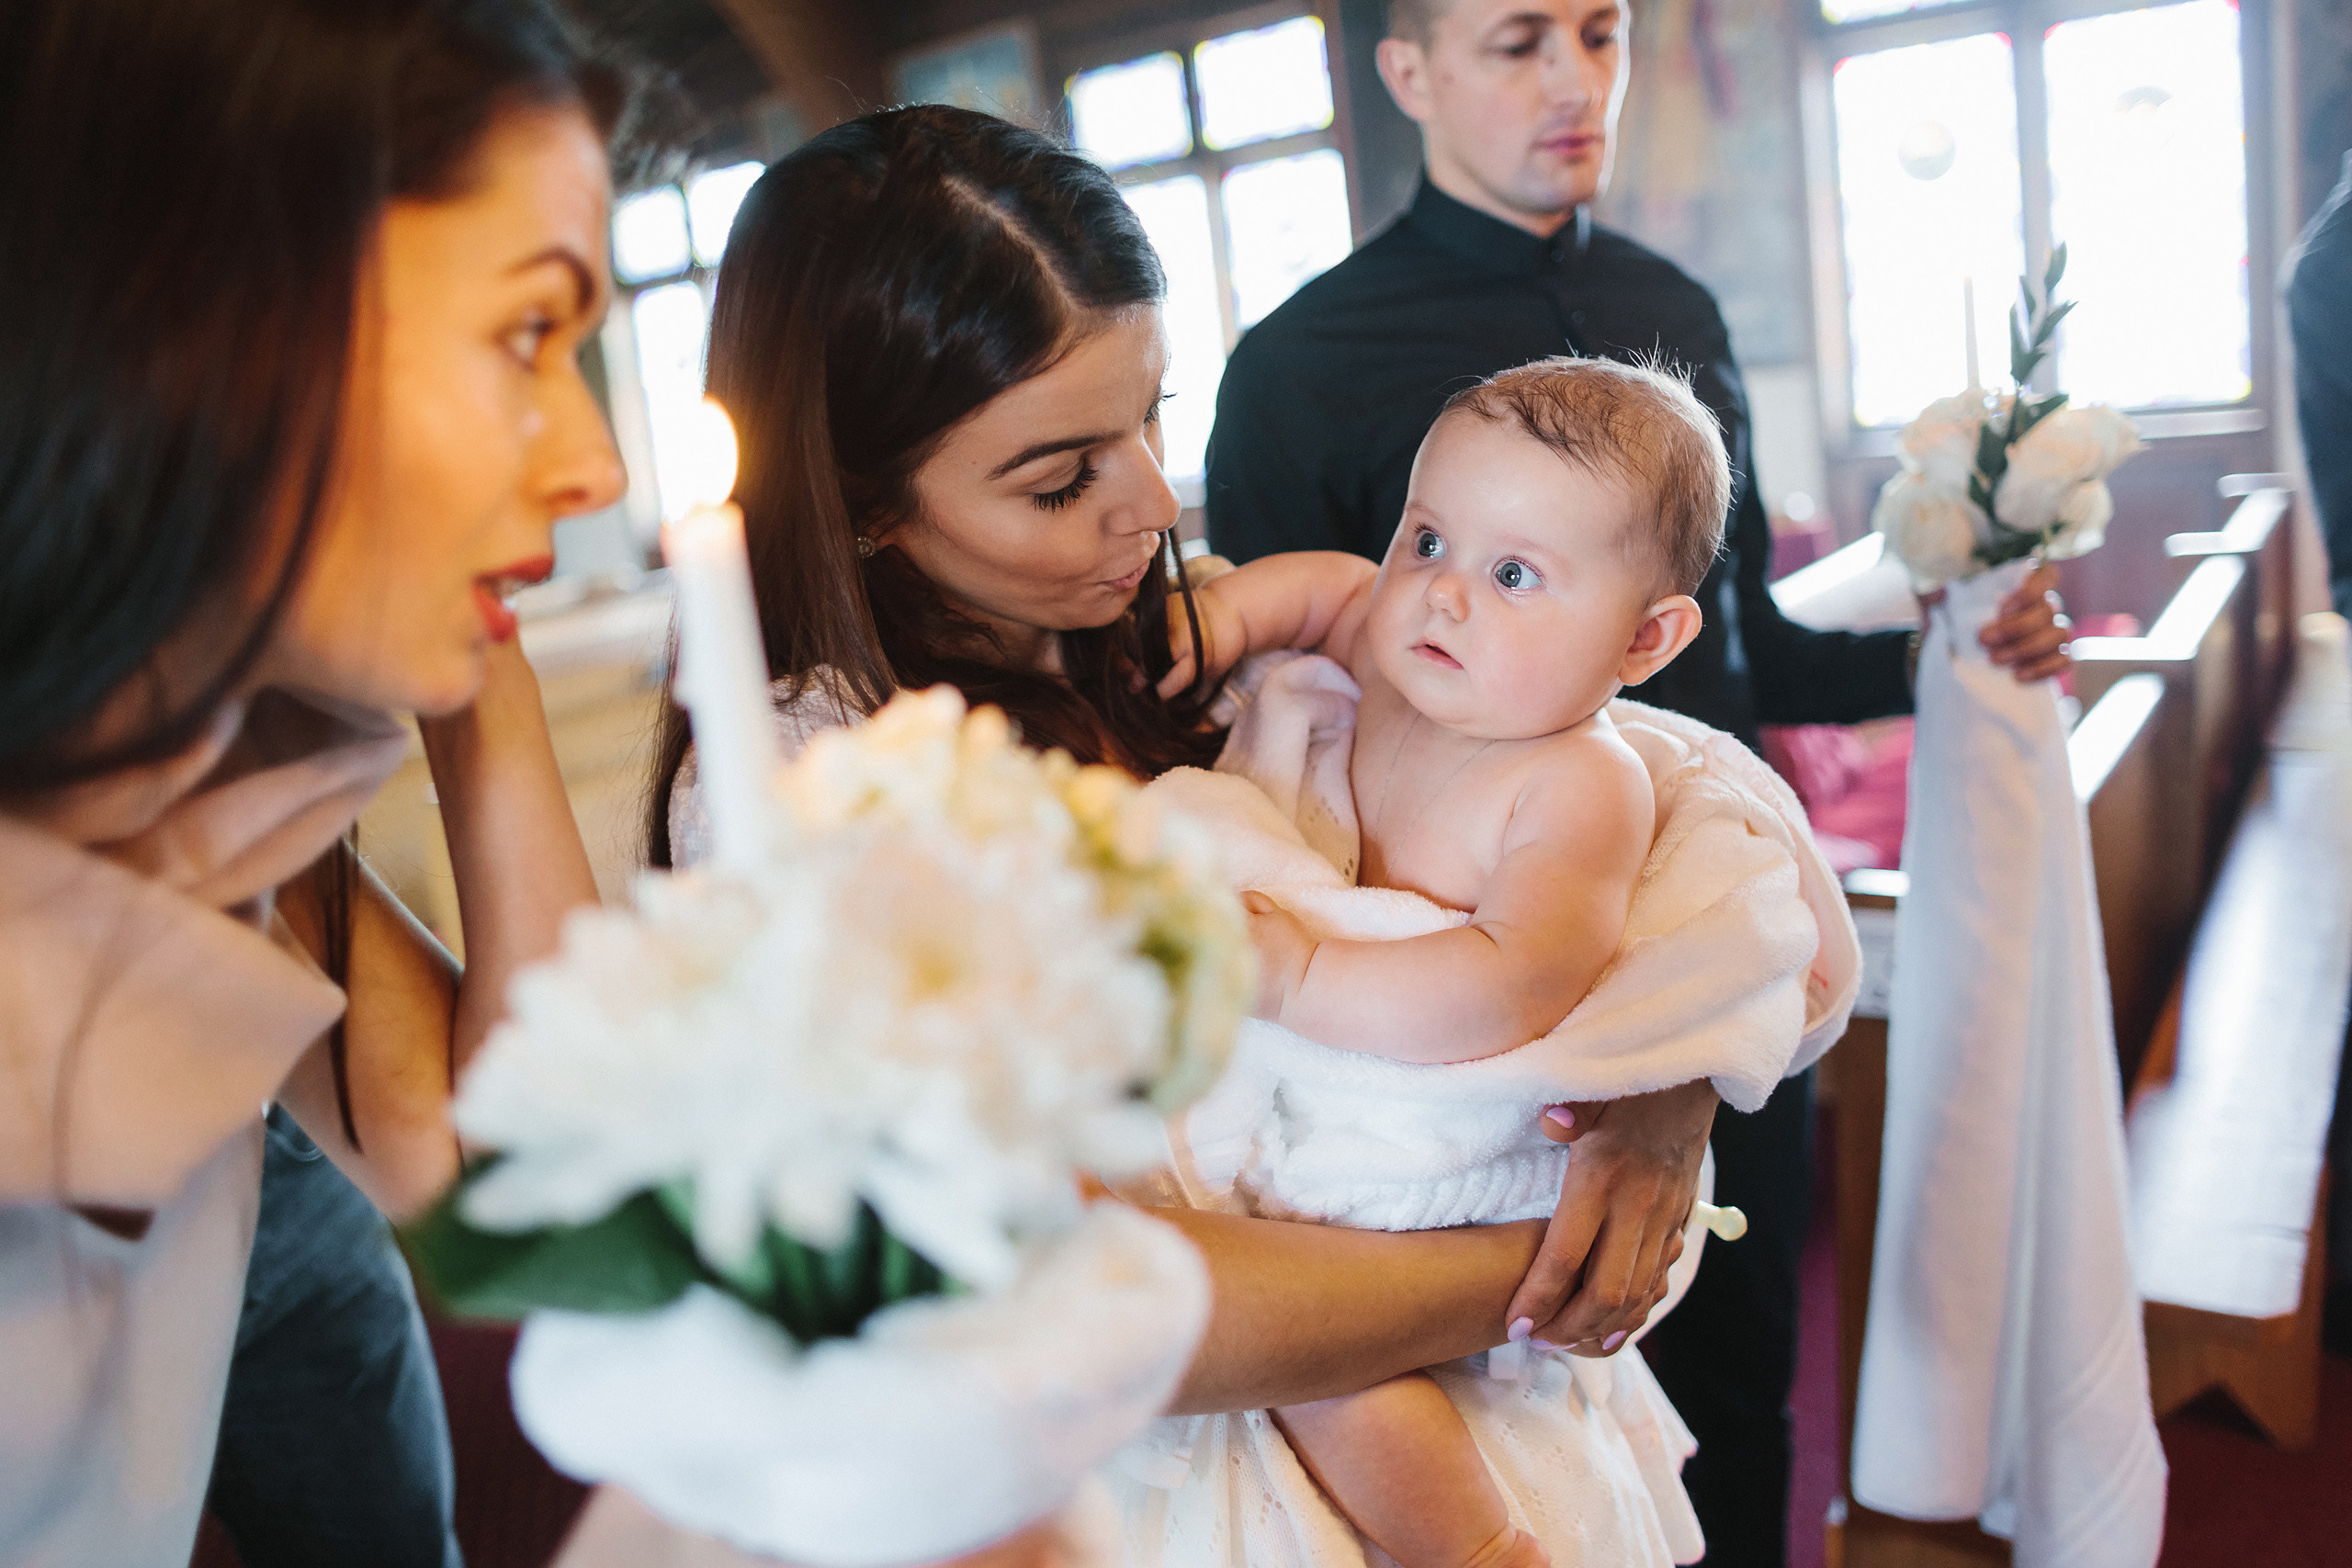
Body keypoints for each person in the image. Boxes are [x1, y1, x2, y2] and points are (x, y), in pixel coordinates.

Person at [1201, 4, 2073, 1560]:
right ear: (1408, 74)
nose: (1574, 81)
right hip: (1427, 1068)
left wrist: (1946, 652)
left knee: (1737, 1399)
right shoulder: (1298, 365)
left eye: (1599, 33)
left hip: (1682, 970)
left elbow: (1733, 657)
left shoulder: (1668, 305)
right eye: (1518, 39)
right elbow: (1280, 714)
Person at [0, 2, 627, 1561]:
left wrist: (481, 684)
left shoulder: (212, 802)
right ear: (194, 316)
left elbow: (499, 1170)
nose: (596, 463)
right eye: (526, 338)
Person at [1161, 356, 1730, 1568]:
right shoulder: (1396, 650)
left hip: (1436, 1143)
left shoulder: (1577, 781)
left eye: (1513, 574)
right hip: (1333, 1087)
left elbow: (1516, 975)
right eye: (1428, 537)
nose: (1439, 597)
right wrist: (1224, 620)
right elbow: (1326, 593)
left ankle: (1473, 1544)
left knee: (1337, 1377)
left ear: (1646, 638)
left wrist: (1301, 978)